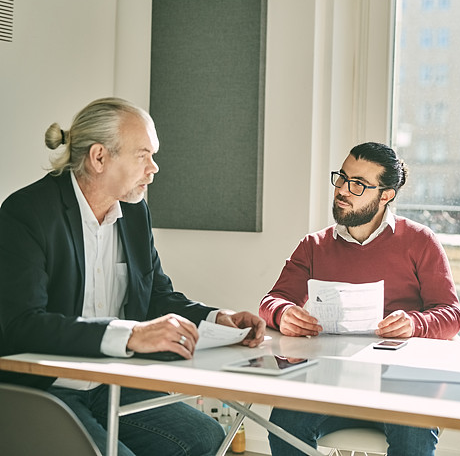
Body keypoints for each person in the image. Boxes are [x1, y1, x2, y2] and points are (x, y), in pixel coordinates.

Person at [0, 97, 267, 456]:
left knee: (206, 437)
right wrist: (131, 335)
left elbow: (156, 294)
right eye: (143, 155)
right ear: (99, 158)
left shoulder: (134, 212)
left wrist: (217, 318)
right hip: (45, 390)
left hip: (112, 382)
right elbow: (23, 326)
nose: (154, 168)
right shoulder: (27, 213)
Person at [259, 142, 460, 456]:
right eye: (341, 178)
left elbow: (451, 315)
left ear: (386, 195)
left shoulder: (420, 241)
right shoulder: (314, 245)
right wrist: (284, 313)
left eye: (358, 184)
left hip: (401, 386)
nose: (342, 190)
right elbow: (273, 300)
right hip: (331, 381)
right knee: (284, 425)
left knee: (413, 441)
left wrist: (413, 323)